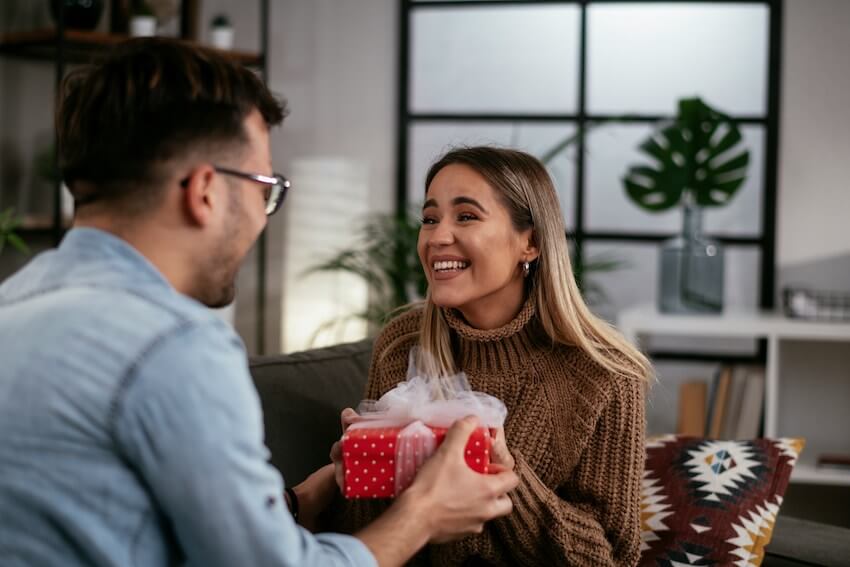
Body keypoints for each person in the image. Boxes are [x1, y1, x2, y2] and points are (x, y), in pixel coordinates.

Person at [0, 39, 519, 567]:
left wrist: (294, 503)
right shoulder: (173, 346)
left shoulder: (13, 306)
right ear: (204, 191)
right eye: (263, 188)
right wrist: (426, 511)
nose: (262, 217)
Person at [331, 146, 651, 566]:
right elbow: (370, 542)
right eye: (429, 219)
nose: (437, 237)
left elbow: (610, 558)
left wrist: (506, 475)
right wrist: (361, 477)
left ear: (530, 242)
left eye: (466, 216)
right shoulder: (401, 345)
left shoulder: (604, 374)